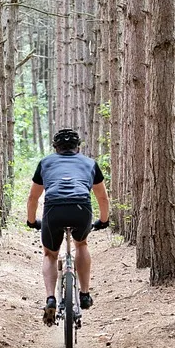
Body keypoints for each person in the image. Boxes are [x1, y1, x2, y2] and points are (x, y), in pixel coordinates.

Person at [27, 128, 110, 326]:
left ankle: (50, 298)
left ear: (55, 147)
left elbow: (33, 197)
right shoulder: (90, 163)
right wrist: (104, 220)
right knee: (81, 244)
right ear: (78, 147)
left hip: (54, 209)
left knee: (50, 254)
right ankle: (84, 294)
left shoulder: (46, 163)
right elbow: (102, 197)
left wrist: (31, 221)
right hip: (81, 207)